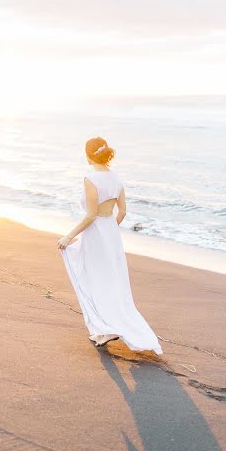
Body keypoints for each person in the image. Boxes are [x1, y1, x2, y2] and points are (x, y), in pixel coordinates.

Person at [57, 136, 163, 354]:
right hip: (111, 234)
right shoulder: (116, 178)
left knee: (95, 279)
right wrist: (109, 230)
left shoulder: (90, 178)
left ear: (88, 155)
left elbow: (91, 215)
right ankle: (109, 327)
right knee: (113, 281)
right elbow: (122, 211)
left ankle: (106, 329)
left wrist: (69, 236)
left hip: (96, 233)